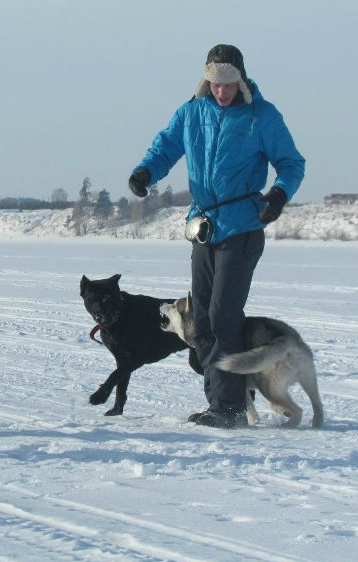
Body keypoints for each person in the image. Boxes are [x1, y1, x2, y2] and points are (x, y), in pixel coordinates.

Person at [128, 44, 305, 428]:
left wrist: (278, 194)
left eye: (227, 84)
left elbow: (291, 164)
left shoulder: (262, 116)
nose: (221, 91)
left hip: (242, 227)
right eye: (214, 83)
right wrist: (145, 173)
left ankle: (231, 407)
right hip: (204, 229)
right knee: (203, 320)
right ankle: (220, 403)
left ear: (240, 80)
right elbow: (165, 147)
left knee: (224, 315)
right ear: (205, 80)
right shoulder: (191, 112)